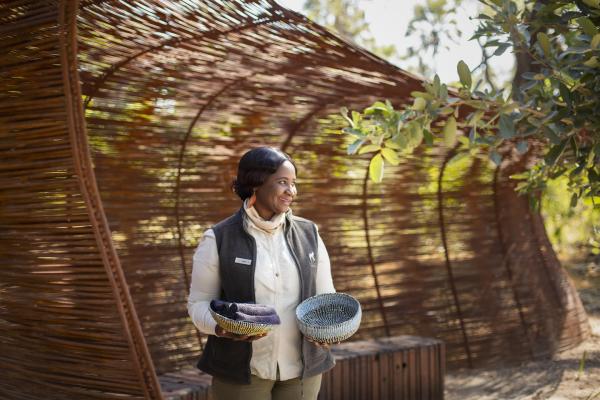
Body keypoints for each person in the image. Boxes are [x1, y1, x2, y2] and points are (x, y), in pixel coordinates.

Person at [187, 146, 336, 400]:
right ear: (256, 184)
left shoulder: (309, 234)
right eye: (282, 182)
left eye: (294, 183)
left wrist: (327, 327)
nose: (292, 191)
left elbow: (325, 296)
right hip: (241, 373)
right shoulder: (218, 238)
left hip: (302, 371)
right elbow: (198, 304)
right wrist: (223, 328)